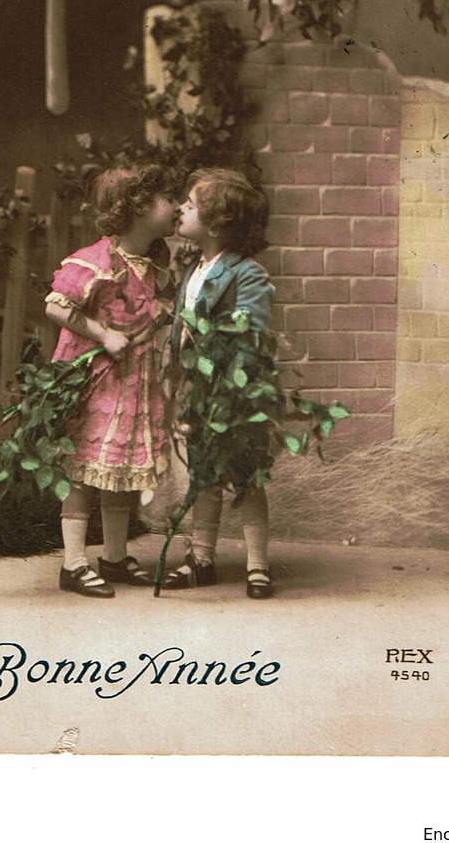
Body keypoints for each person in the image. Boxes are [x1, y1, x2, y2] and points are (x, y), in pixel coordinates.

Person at [44, 164, 179, 598]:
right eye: (166, 199)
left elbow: (148, 307)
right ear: (137, 207)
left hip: (133, 384)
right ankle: (74, 563)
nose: (176, 206)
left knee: (119, 471)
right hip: (99, 382)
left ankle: (115, 557)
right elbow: (57, 306)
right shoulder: (98, 260)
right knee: (85, 471)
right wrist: (103, 333)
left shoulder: (154, 263)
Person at [163, 167, 276, 599]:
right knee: (204, 473)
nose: (180, 209)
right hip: (198, 389)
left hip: (235, 389)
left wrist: (226, 371)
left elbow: (250, 329)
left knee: (245, 475)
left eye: (189, 206)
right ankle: (201, 557)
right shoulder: (194, 267)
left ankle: (258, 565)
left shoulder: (246, 274)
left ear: (214, 224)